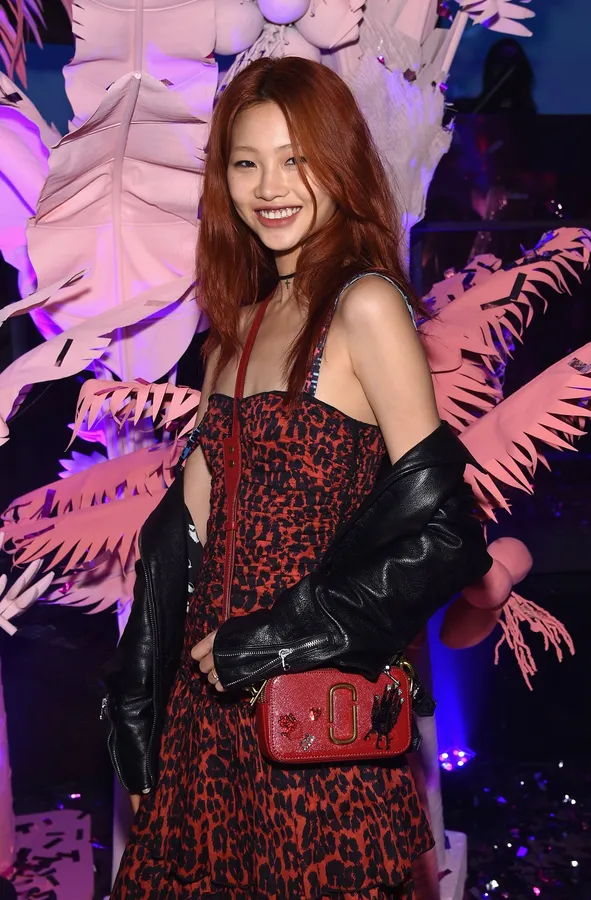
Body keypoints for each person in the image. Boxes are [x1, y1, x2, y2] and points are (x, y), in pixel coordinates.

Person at [105, 56, 492, 899]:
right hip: (203, 725)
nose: (270, 187)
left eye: (296, 159)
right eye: (247, 162)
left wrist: (278, 636)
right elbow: (185, 535)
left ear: (338, 164)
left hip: (310, 719)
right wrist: (137, 706)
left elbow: (448, 535)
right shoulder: (231, 332)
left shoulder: (363, 307)